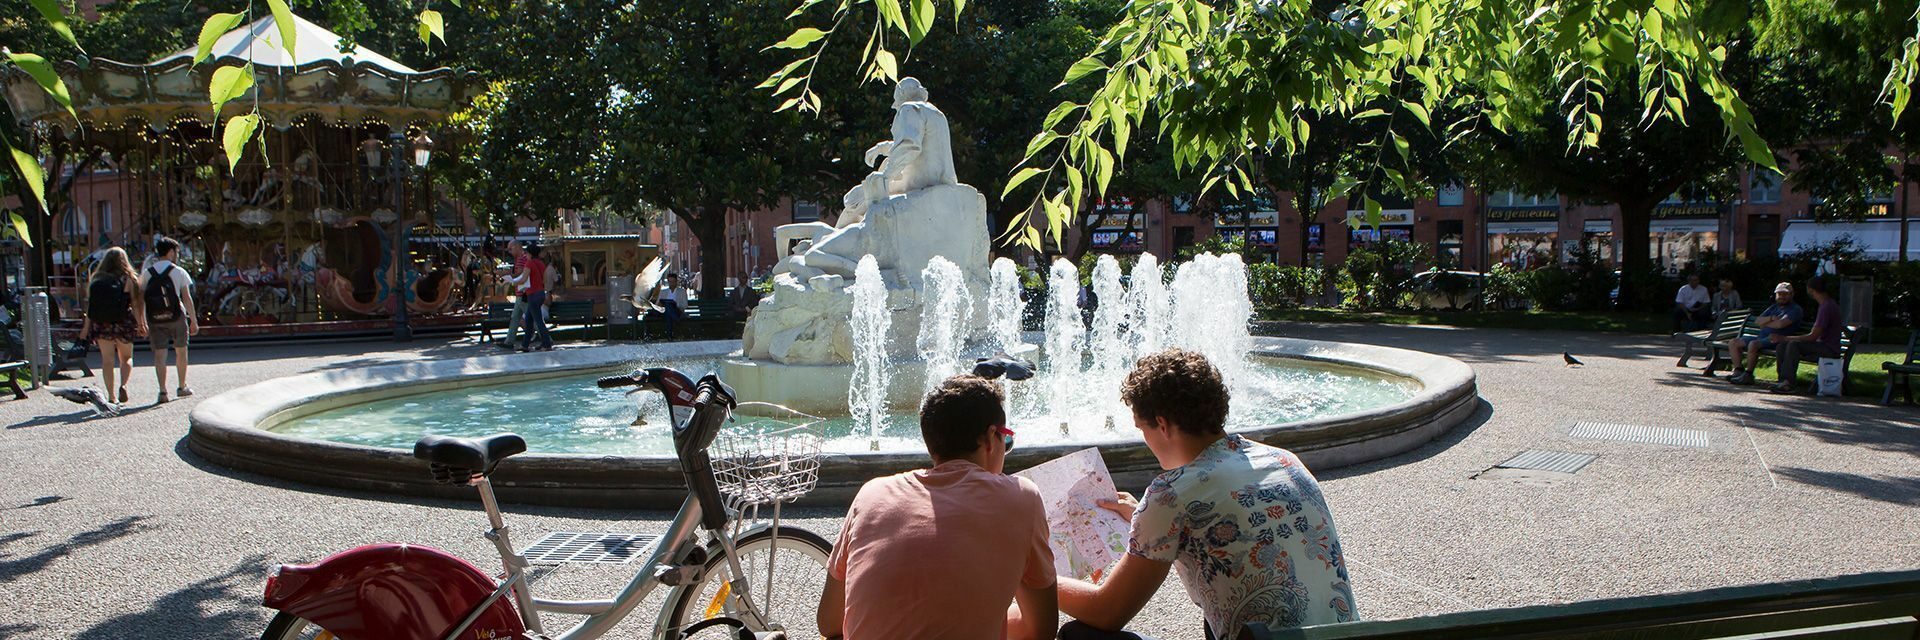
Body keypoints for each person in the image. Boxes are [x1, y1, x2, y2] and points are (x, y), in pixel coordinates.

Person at [1059, 349, 1356, 639]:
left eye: (1141, 429)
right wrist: (1143, 516)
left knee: (1079, 635)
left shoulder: (1171, 494)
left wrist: (1037, 576)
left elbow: (1107, 611)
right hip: (1352, 637)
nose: (1145, 439)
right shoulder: (1285, 461)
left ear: (1162, 425)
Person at [817, 375, 1057, 640]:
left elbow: (829, 622)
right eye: (1007, 440)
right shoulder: (1022, 497)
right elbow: (1041, 629)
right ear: (991, 438)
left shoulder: (871, 494)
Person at [79, 247, 146, 404]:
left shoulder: (96, 278)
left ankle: (111, 396)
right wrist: (141, 324)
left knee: (107, 360)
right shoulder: (129, 278)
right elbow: (135, 305)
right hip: (123, 322)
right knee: (127, 357)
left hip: (102, 323)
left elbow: (91, 306)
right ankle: (123, 385)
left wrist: (85, 328)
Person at [141, 236, 199, 403]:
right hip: (176, 316)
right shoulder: (178, 271)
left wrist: (142, 321)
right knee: (181, 351)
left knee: (160, 354)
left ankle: (162, 391)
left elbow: (141, 298)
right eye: (176, 252)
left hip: (155, 318)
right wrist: (193, 320)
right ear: (171, 252)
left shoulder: (147, 273)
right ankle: (181, 386)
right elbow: (186, 297)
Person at [1770, 276, 1844, 394]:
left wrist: (1784, 337)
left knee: (1793, 345)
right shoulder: (1826, 304)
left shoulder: (1826, 307)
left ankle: (1789, 383)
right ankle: (1782, 380)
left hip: (1829, 349)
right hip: (1823, 345)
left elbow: (1813, 336)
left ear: (1810, 289)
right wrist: (1784, 340)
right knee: (1782, 345)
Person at [1726, 282, 1803, 385]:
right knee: (1733, 342)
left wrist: (1765, 323)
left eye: (1785, 294)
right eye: (1779, 294)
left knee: (1753, 344)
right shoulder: (1773, 307)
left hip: (1777, 340)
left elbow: (1780, 324)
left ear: (1792, 294)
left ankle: (1748, 375)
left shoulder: (1795, 309)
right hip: (1761, 338)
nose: (1782, 297)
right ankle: (1738, 371)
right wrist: (1771, 318)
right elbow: (1758, 321)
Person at [518, 244, 554, 352]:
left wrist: (512, 281)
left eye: (526, 253)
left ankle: (547, 344)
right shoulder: (541, 263)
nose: (525, 255)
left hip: (532, 294)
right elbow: (543, 279)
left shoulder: (529, 263)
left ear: (530, 253)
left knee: (538, 321)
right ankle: (525, 345)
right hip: (540, 293)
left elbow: (523, 279)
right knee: (529, 320)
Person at [499, 240, 528, 349]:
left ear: (517, 247)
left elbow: (519, 274)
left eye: (510, 249)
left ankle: (546, 339)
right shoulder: (521, 258)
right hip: (520, 292)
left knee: (532, 318)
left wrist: (506, 275)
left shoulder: (521, 259)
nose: (509, 252)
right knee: (515, 318)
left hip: (522, 292)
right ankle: (509, 341)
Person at [658, 273, 687, 339]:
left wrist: (676, 304)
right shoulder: (663, 292)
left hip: (677, 311)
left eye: (673, 282)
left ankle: (669, 335)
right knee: (668, 308)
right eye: (670, 282)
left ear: (676, 282)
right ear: (668, 282)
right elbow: (658, 303)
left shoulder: (682, 292)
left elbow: (685, 305)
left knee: (669, 308)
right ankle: (676, 325)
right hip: (664, 312)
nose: (672, 284)